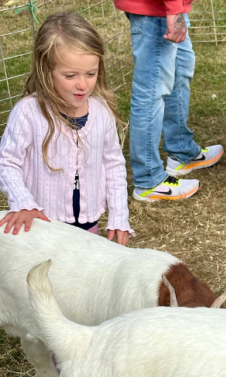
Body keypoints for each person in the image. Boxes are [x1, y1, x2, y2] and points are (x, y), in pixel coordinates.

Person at [0, 12, 133, 243]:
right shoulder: (28, 113)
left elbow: (113, 164)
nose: (83, 84)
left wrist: (119, 216)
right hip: (43, 226)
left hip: (89, 225)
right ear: (46, 70)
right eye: (70, 75)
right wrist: (23, 202)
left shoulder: (101, 112)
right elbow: (7, 162)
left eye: (91, 74)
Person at [115, 0, 224, 202]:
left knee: (181, 68)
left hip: (167, 7)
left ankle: (181, 150)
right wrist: (173, 8)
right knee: (151, 90)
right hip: (156, 9)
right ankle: (148, 180)